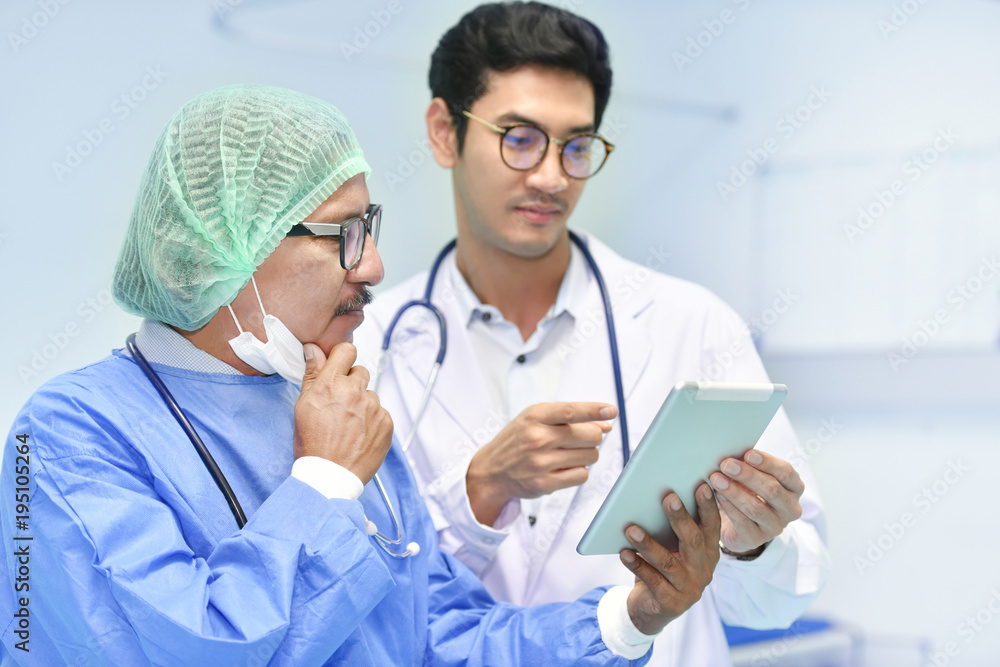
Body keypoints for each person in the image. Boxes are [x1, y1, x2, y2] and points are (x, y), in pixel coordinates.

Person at [0, 84, 723, 665]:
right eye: (342, 233)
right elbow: (171, 647)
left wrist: (630, 617)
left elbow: (434, 637)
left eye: (370, 226)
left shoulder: (339, 414)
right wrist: (322, 485)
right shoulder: (68, 435)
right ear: (228, 240)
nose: (372, 264)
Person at [353, 3, 831, 665]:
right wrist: (478, 491)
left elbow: (783, 597)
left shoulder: (690, 325)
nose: (551, 176)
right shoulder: (369, 349)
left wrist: (754, 543)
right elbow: (362, 593)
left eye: (576, 146)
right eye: (518, 137)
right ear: (444, 132)